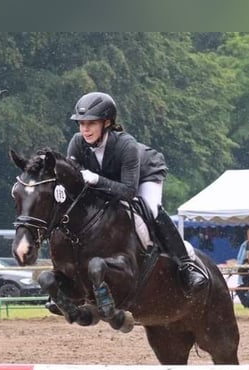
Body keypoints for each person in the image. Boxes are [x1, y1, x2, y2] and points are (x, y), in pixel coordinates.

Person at [66, 91, 208, 295]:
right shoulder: (77, 143)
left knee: (150, 210)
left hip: (144, 175)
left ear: (106, 123)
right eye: (81, 124)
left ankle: (187, 266)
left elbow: (128, 191)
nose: (85, 129)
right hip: (110, 180)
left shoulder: (126, 144)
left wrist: (96, 179)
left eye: (91, 123)